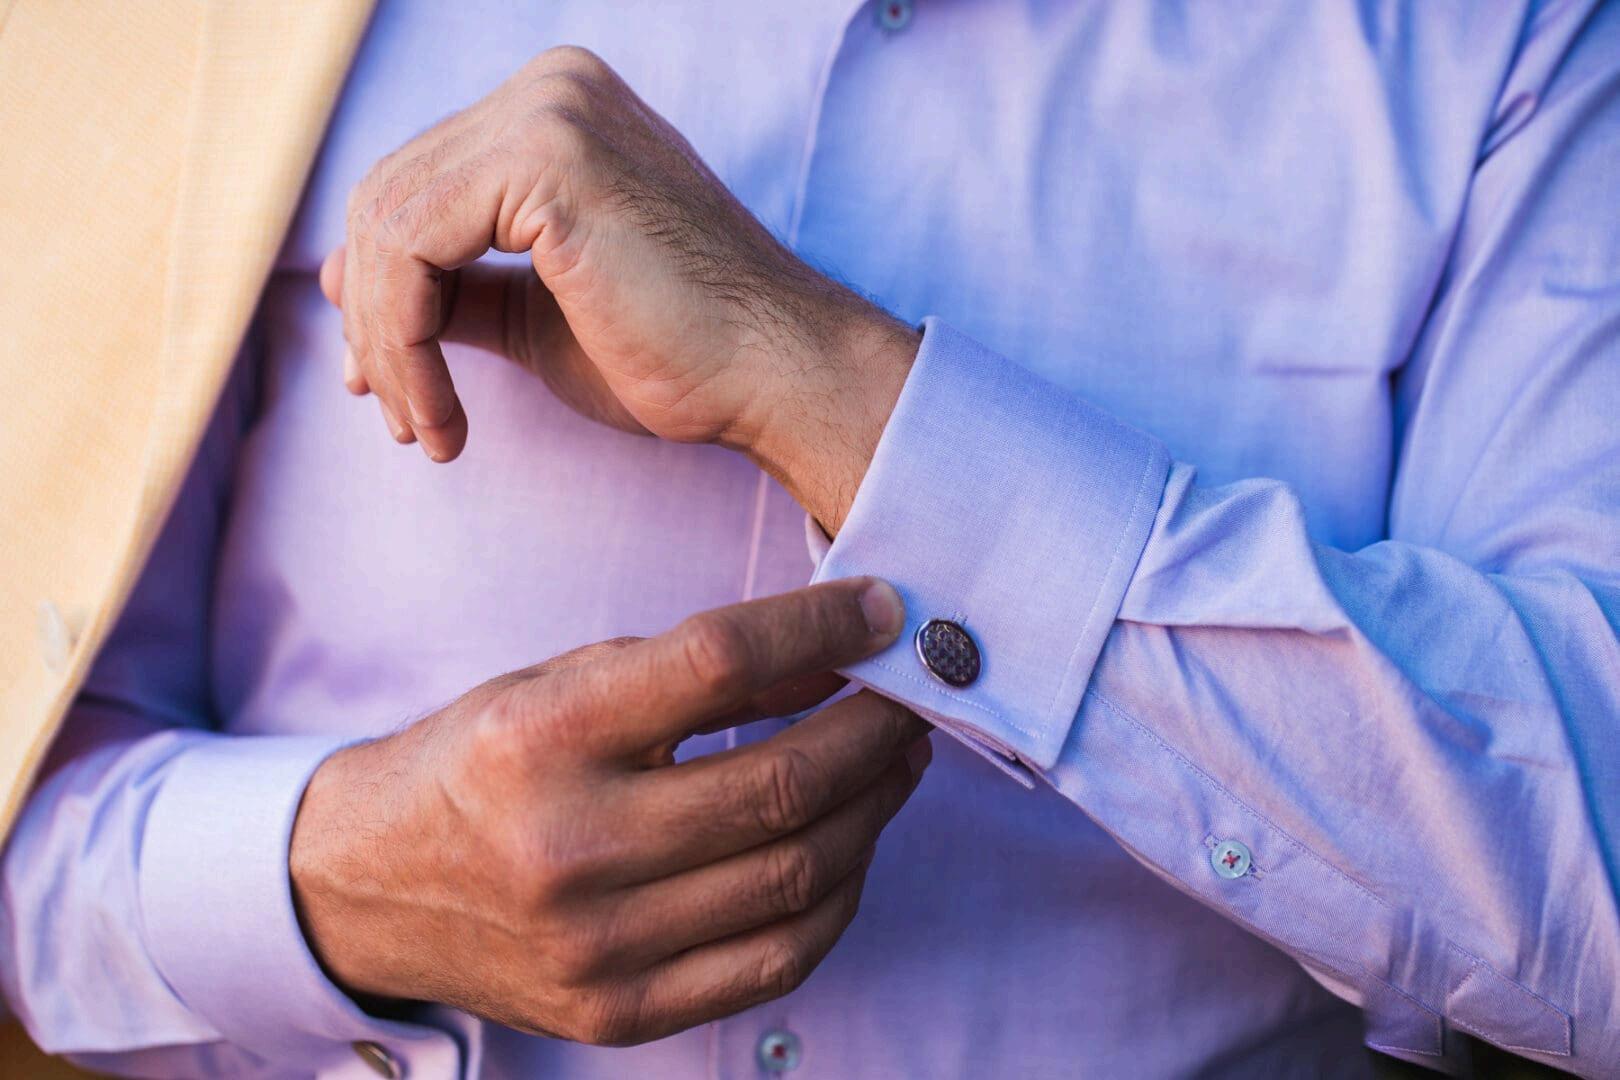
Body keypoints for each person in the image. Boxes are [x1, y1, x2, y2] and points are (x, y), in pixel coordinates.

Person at [1, 2, 1617, 1076]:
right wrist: (341, 882)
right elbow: (25, 809)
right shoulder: (214, 33)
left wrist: (824, 380)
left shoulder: (1514, 46)